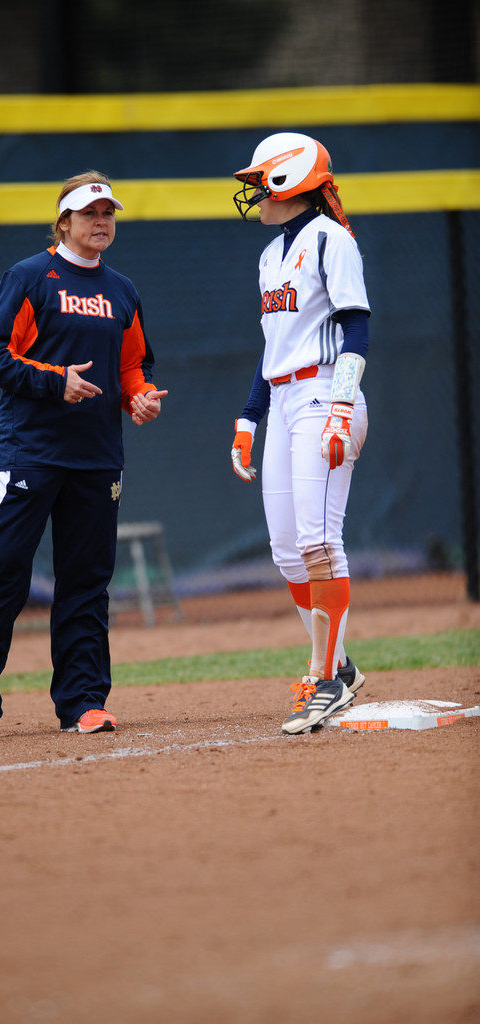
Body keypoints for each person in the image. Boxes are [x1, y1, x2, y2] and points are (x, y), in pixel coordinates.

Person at [0, 171, 167, 740]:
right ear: (63, 221)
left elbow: (131, 367)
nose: (101, 222)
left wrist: (138, 398)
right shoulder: (29, 277)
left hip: (96, 458)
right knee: (3, 574)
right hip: (31, 453)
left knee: (86, 582)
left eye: (109, 213)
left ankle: (83, 702)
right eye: (90, 213)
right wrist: (54, 382)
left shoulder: (123, 290)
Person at [230, 132, 370, 736]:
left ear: (288, 181)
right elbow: (272, 351)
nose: (253, 190)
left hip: (323, 393)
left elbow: (356, 329)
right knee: (286, 548)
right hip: (285, 396)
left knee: (317, 537)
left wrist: (342, 405)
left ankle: (326, 680)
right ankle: (341, 667)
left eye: (260, 179)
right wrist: (247, 419)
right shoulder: (269, 256)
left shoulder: (329, 239)